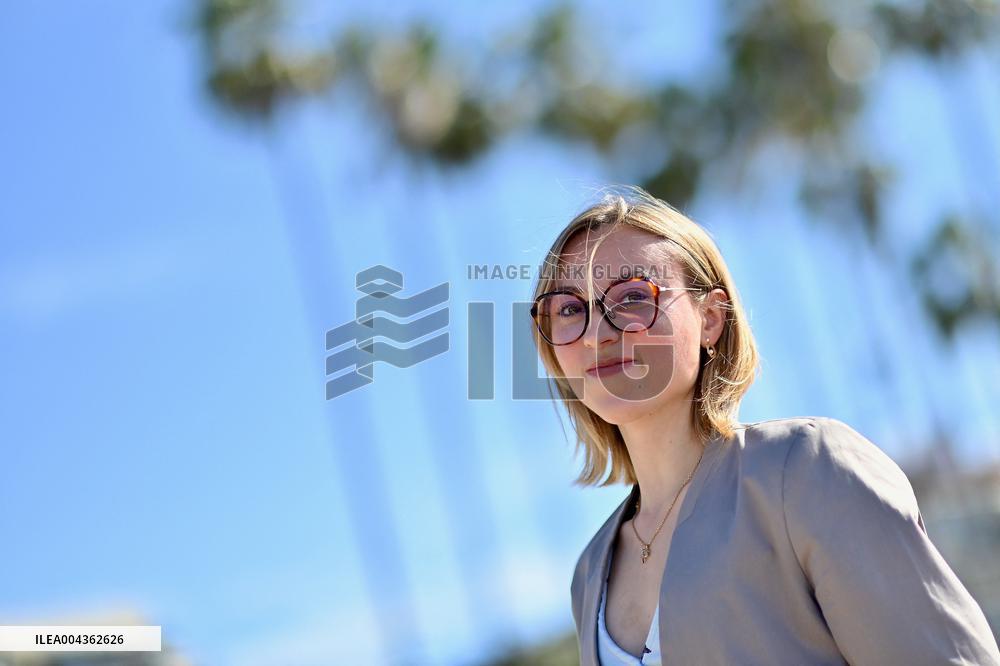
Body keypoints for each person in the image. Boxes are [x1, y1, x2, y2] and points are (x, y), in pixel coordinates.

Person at [528, 186, 1000, 665]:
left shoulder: (808, 468)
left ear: (710, 318)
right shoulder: (589, 577)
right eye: (569, 308)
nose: (597, 332)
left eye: (631, 297)